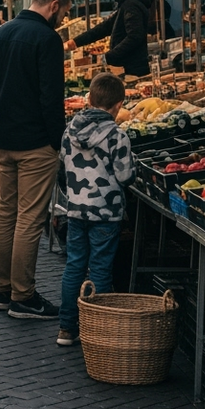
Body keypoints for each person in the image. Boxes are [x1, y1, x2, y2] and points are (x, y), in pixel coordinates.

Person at [0, 0, 74, 320]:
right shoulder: (48, 40)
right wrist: (56, 140)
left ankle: (2, 290)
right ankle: (23, 296)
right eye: (63, 12)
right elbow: (52, 99)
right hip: (36, 142)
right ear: (53, 5)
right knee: (30, 217)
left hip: (4, 140)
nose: (62, 19)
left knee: (5, 213)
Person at [57, 73, 135, 346]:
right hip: (106, 212)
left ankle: (67, 328)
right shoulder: (117, 135)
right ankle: (100, 332)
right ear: (118, 104)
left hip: (76, 210)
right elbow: (125, 176)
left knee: (74, 266)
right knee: (101, 269)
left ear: (89, 99)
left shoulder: (69, 130)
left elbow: (62, 168)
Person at [66, 0, 151, 76]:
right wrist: (76, 42)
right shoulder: (124, 4)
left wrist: (109, 56)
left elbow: (135, 36)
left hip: (132, 70)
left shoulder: (131, 5)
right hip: (127, 67)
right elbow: (104, 28)